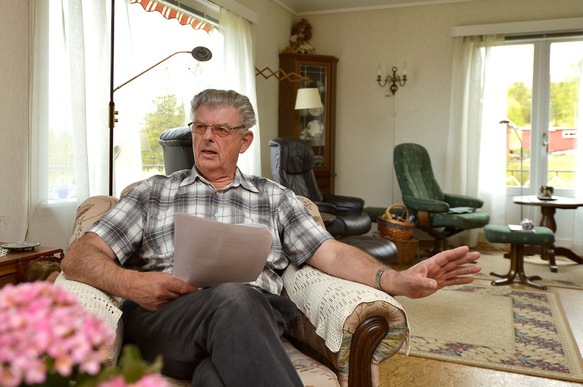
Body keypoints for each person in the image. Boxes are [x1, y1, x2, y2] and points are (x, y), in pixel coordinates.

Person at [61, 89, 481, 386]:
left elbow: (329, 252)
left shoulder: (275, 198)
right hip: (167, 321)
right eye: (200, 127)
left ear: (244, 140)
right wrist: (133, 283)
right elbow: (79, 257)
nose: (207, 137)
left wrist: (396, 280)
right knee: (235, 297)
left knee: (217, 373)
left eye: (221, 130)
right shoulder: (153, 192)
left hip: (252, 324)